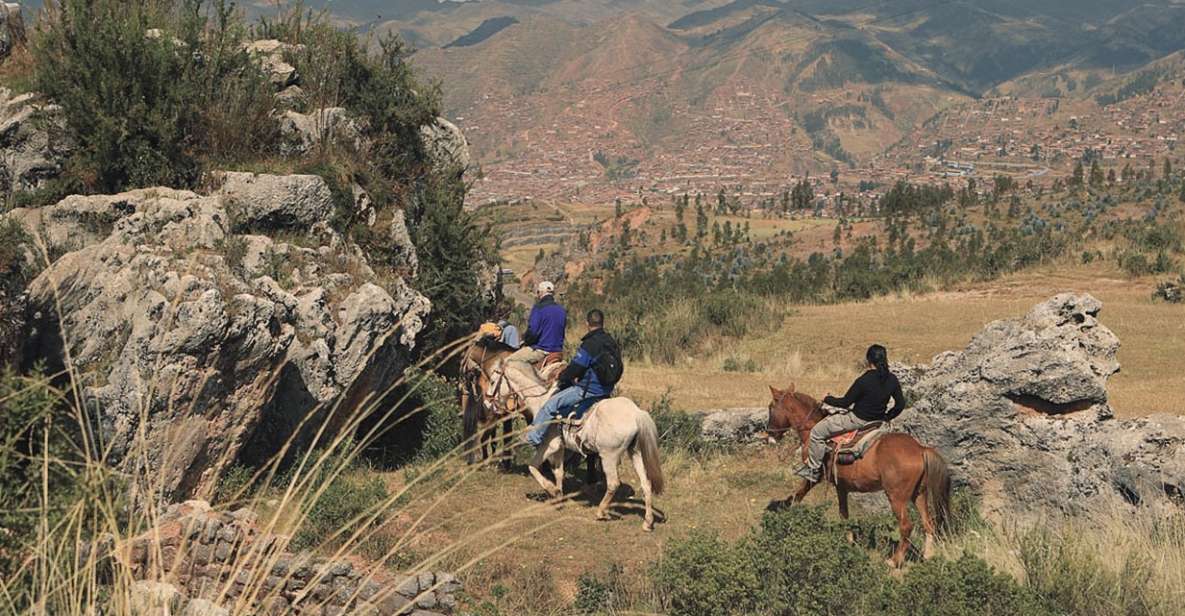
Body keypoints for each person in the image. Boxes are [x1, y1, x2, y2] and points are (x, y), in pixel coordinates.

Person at [797, 344, 906, 483]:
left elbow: (845, 403)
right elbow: (900, 404)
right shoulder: (892, 379)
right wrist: (887, 417)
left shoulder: (863, 380)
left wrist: (827, 398)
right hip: (878, 423)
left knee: (817, 432)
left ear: (868, 360)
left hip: (857, 420)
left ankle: (813, 469)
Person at [525, 309, 622, 447]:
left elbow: (576, 368)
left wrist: (562, 376)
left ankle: (533, 438)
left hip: (587, 390)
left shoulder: (590, 344)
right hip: (606, 389)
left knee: (551, 405)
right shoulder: (611, 341)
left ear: (587, 323)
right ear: (602, 323)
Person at [507, 281, 567, 374]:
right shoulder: (562, 310)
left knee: (508, 362)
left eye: (538, 292)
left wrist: (526, 341)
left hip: (541, 350)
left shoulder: (538, 308)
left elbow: (533, 332)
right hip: (558, 350)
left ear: (540, 293)